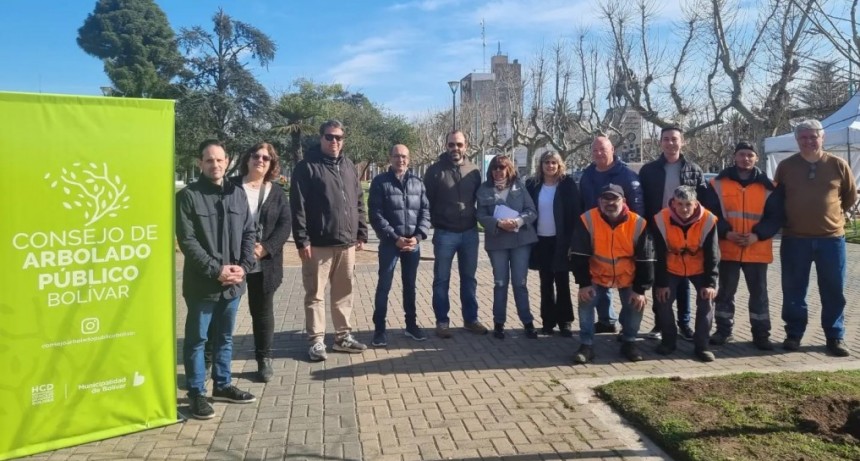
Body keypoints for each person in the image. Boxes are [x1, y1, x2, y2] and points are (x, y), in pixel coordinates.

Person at [176, 139, 257, 420]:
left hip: (234, 283)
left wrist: (243, 267)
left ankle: (222, 385)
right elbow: (187, 241)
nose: (215, 164)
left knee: (224, 337)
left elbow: (249, 232)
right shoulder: (188, 196)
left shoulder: (237, 194)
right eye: (209, 160)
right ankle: (196, 393)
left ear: (227, 161)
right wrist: (216, 269)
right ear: (200, 163)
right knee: (197, 340)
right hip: (203, 285)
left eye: (220, 160)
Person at [774, 119, 857, 356]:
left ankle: (834, 336)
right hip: (794, 239)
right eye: (804, 137)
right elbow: (777, 199)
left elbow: (849, 196)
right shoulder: (786, 167)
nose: (809, 141)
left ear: (823, 138)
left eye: (813, 136)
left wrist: (834, 217)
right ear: (797, 140)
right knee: (793, 289)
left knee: (833, 289)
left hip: (831, 240)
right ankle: (794, 334)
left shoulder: (838, 165)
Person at [290, 120, 368, 361]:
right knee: (315, 294)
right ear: (320, 137)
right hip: (318, 244)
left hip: (346, 244)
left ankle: (342, 337)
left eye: (339, 138)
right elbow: (298, 207)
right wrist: (302, 240)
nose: (334, 141)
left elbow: (357, 199)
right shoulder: (306, 167)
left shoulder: (348, 166)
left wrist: (361, 231)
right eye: (329, 137)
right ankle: (316, 341)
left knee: (344, 292)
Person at [700, 141, 780, 351]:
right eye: (742, 154)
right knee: (725, 293)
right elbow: (710, 213)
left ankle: (761, 334)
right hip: (728, 248)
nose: (746, 158)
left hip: (757, 249)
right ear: (734, 157)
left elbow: (776, 217)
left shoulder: (770, 186)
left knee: (759, 295)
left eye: (750, 155)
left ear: (756, 158)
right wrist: (727, 232)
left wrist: (757, 235)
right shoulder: (717, 184)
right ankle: (723, 331)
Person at [570, 184, 654, 363]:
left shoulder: (638, 222)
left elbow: (646, 259)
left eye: (614, 199)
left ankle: (629, 342)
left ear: (623, 201)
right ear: (599, 201)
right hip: (597, 274)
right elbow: (579, 255)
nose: (609, 203)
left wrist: (640, 289)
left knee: (636, 303)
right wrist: (584, 284)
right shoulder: (587, 219)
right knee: (585, 301)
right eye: (605, 199)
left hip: (627, 275)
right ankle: (586, 345)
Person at [638, 126, 707, 341]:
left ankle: (684, 323)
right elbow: (642, 200)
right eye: (665, 139)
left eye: (674, 139)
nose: (670, 143)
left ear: (682, 142)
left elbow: (703, 202)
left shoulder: (693, 170)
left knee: (684, 277)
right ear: (660, 143)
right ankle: (660, 322)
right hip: (658, 229)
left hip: (686, 231)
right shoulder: (649, 170)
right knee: (661, 276)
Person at [229, 142, 291, 381]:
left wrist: (266, 247)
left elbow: (285, 224)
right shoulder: (231, 186)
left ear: (272, 164)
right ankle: (212, 359)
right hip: (232, 261)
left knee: (262, 313)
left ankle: (263, 359)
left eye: (267, 158)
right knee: (225, 312)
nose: (261, 160)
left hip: (264, 264)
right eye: (256, 156)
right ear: (247, 158)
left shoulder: (275, 192)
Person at [423, 130, 487, 338]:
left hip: (469, 233)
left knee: (469, 279)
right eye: (451, 145)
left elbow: (481, 198)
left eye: (459, 145)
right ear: (446, 146)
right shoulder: (434, 171)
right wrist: (436, 222)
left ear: (466, 146)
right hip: (445, 234)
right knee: (441, 279)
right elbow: (426, 203)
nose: (455, 149)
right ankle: (442, 322)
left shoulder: (474, 171)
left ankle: (471, 319)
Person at [578, 136, 645, 334]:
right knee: (599, 278)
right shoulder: (587, 175)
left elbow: (638, 209)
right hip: (594, 232)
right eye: (595, 150)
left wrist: (634, 237)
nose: (599, 153)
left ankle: (628, 331)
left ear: (612, 149)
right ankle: (607, 320)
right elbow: (582, 204)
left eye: (603, 149)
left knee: (627, 286)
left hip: (623, 235)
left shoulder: (627, 176)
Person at [368, 144, 431, 347]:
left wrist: (418, 236)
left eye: (404, 156)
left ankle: (411, 325)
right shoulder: (380, 182)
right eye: (396, 156)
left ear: (409, 159)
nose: (400, 160)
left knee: (410, 286)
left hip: (412, 244)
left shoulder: (417, 182)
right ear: (390, 158)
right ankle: (379, 329)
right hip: (390, 243)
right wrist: (394, 237)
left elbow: (425, 211)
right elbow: (375, 214)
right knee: (384, 286)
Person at [651, 186, 720, 362]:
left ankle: (702, 345)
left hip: (699, 268)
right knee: (662, 299)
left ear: (696, 203)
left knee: (706, 302)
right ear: (673, 203)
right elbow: (657, 254)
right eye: (680, 204)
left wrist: (710, 283)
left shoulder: (708, 219)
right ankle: (669, 341)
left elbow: (713, 253)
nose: (684, 209)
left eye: (688, 204)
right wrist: (662, 283)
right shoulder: (660, 219)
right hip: (671, 267)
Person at [476, 155, 539, 339]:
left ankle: (527, 322)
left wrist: (518, 221)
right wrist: (497, 223)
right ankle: (499, 323)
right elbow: (480, 215)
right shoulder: (484, 189)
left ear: (508, 168)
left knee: (520, 283)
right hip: (498, 242)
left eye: (502, 167)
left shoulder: (519, 186)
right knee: (500, 283)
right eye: (495, 167)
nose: (498, 171)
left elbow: (531, 211)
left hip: (520, 240)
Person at [525, 151, 580, 336]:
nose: (550, 166)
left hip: (561, 240)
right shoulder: (533, 185)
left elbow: (574, 213)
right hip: (541, 240)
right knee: (545, 281)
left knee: (562, 280)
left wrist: (573, 240)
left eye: (554, 163)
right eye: (546, 162)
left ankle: (565, 321)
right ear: (541, 165)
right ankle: (548, 320)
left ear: (559, 165)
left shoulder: (568, 184)